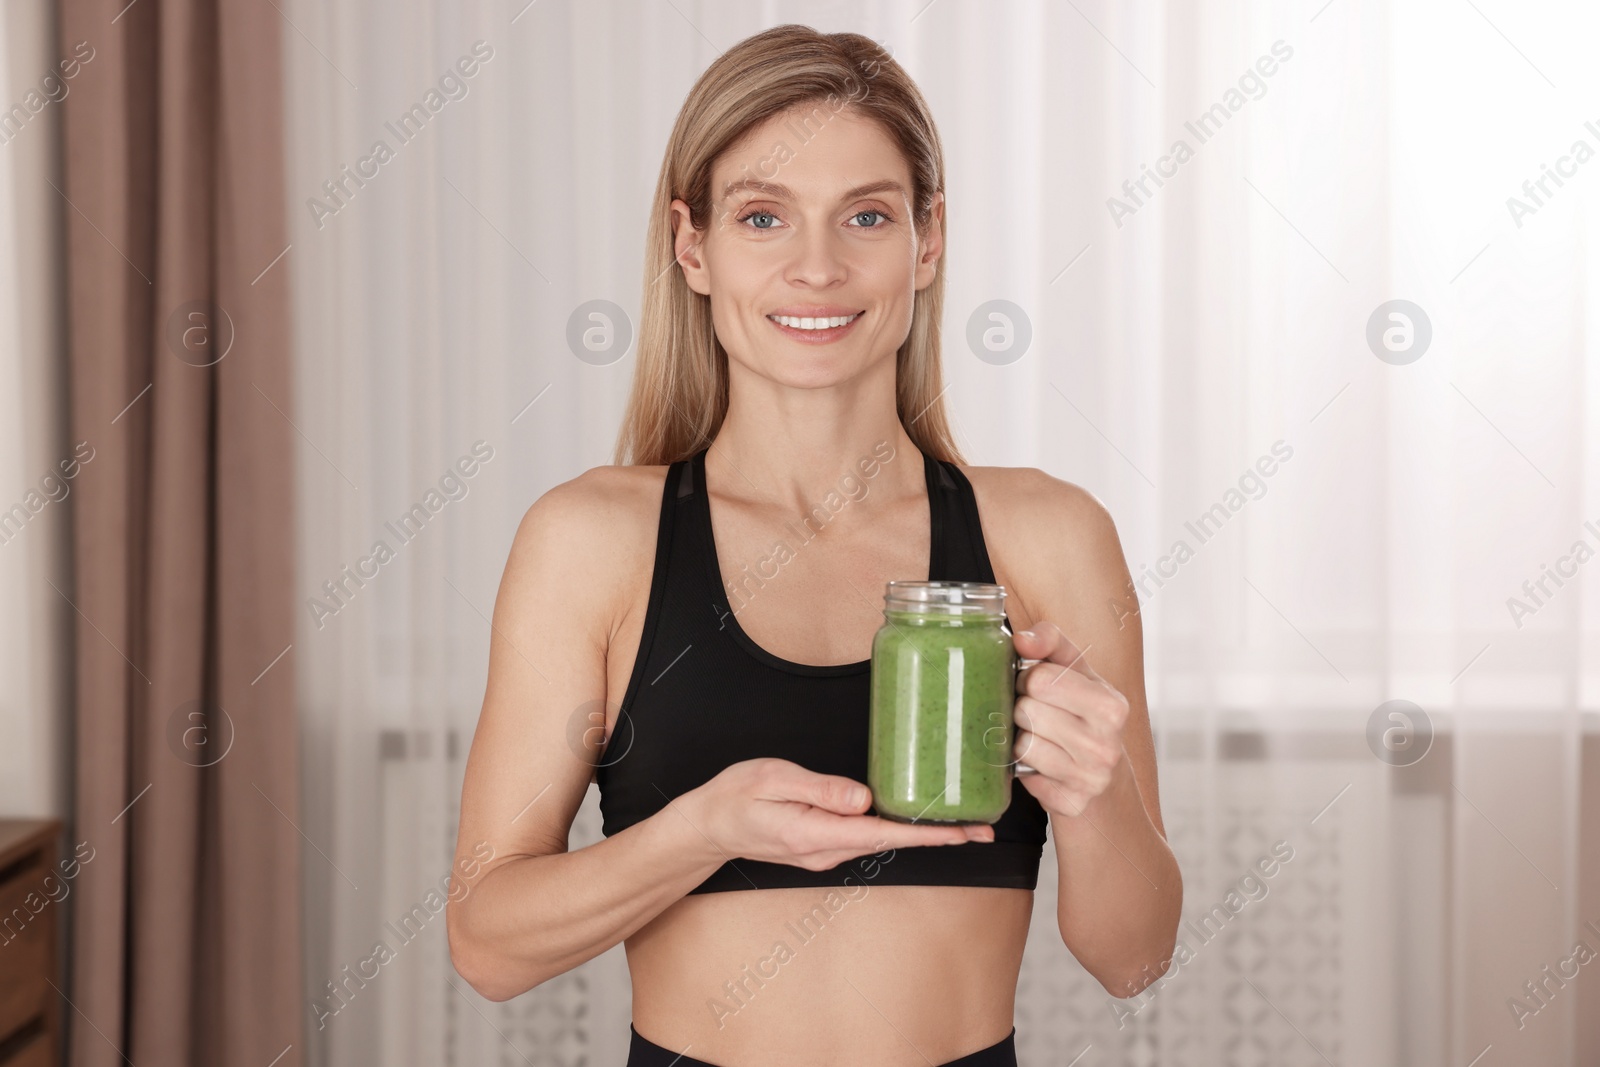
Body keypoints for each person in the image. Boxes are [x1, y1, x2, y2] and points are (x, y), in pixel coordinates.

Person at [446, 24, 1181, 1067]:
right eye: (762, 217)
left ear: (927, 240)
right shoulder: (594, 540)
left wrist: (1099, 796)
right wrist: (702, 829)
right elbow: (487, 944)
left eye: (866, 216)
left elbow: (1134, 959)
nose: (818, 267)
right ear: (690, 246)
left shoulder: (1046, 534)